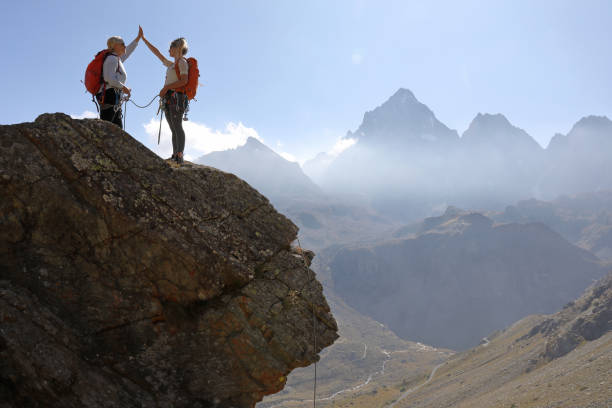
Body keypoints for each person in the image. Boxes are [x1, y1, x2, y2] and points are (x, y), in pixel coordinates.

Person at [141, 27, 189, 164]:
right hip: (170, 97)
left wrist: (166, 87)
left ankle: (179, 154)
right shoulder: (172, 64)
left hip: (177, 97)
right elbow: (157, 54)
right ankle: (175, 154)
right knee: (173, 127)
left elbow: (184, 81)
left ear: (177, 48)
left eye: (170, 48)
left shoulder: (182, 62)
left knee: (177, 126)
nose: (168, 51)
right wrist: (144, 40)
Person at [98, 27, 142, 128]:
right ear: (115, 46)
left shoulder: (116, 58)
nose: (124, 46)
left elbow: (128, 51)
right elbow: (109, 79)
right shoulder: (112, 59)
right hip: (110, 96)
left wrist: (138, 38)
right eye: (122, 44)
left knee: (116, 129)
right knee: (108, 128)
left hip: (114, 96)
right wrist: (123, 87)